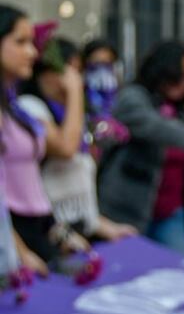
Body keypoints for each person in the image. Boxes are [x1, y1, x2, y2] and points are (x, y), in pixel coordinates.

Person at [98, 40, 184, 253]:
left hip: (171, 215)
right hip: (125, 213)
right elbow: (157, 128)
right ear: (162, 70)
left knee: (175, 270)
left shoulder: (182, 112)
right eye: (179, 74)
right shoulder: (132, 98)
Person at [0, 4, 90, 275]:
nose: (32, 52)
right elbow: (67, 147)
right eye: (20, 42)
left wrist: (57, 231)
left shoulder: (16, 109)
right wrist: (19, 251)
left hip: (34, 231)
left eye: (32, 43)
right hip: (13, 238)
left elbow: (33, 186)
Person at [18, 35, 135, 241]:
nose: (77, 78)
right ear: (45, 72)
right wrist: (75, 92)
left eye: (79, 71)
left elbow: (79, 195)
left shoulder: (71, 115)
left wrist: (106, 227)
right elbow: (66, 148)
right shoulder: (29, 107)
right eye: (70, 70)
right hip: (45, 233)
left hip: (72, 234)